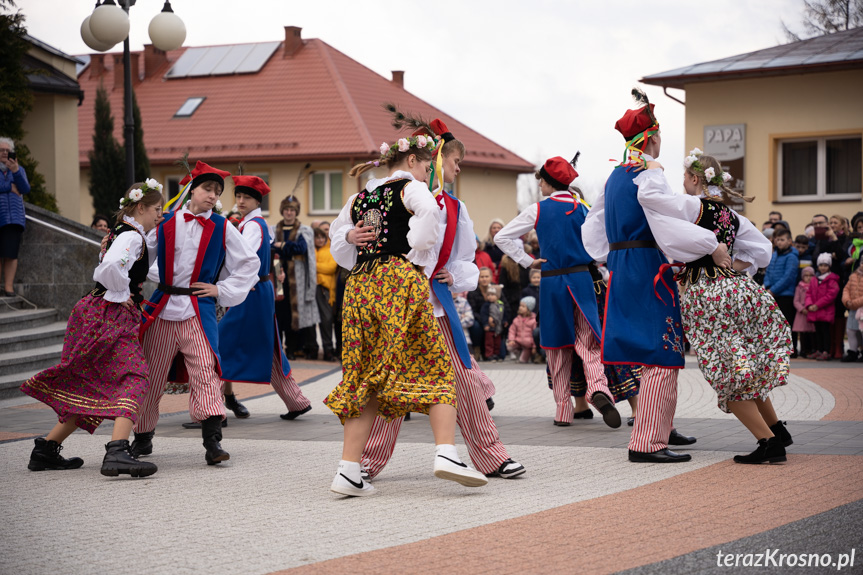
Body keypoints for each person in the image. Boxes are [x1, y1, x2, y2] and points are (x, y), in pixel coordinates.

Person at [359, 118, 523, 482]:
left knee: (462, 381)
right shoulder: (389, 197)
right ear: (435, 161)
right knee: (391, 382)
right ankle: (367, 461)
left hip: (434, 309)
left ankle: (492, 456)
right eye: (455, 162)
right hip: (395, 308)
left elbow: (464, 260)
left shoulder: (455, 207)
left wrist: (454, 276)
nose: (458, 168)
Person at [324, 130, 487, 496]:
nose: (431, 171)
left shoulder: (359, 196)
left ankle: (348, 471)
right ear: (411, 161)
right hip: (397, 280)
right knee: (436, 364)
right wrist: (415, 247)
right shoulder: (410, 188)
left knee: (364, 375)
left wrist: (352, 241)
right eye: (428, 164)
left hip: (360, 286)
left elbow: (340, 238)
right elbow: (429, 213)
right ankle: (446, 452)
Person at [582, 91, 724, 463]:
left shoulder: (614, 177)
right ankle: (647, 442)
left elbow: (592, 227)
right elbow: (666, 216)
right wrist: (707, 242)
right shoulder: (650, 174)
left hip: (621, 266)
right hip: (647, 266)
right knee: (662, 353)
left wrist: (609, 257)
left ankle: (656, 429)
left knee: (647, 353)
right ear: (652, 139)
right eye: (660, 138)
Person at [21, 181, 164, 477]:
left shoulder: (122, 233)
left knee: (91, 380)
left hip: (95, 309)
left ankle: (46, 450)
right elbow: (111, 267)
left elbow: (120, 265)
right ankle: (118, 452)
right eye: (157, 209)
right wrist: (123, 294)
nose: (160, 215)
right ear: (140, 207)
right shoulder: (133, 237)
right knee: (135, 377)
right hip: (109, 314)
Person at [661, 149, 792, 464]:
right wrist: (733, 266)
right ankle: (776, 429)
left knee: (727, 373)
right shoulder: (732, 215)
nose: (682, 184)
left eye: (684, 178)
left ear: (695, 179)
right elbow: (763, 249)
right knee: (742, 367)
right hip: (738, 290)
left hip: (709, 298)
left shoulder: (691, 206)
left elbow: (659, 221)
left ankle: (768, 441)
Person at [130, 161, 259, 466]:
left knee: (206, 370)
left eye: (217, 191)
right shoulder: (165, 222)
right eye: (207, 189)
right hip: (162, 309)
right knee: (151, 374)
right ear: (191, 189)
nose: (213, 196)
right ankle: (142, 438)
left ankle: (212, 442)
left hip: (197, 311)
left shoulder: (223, 226)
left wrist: (221, 290)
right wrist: (154, 276)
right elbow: (140, 253)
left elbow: (249, 262)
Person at [497, 155, 621, 429]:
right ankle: (599, 389)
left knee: (556, 347)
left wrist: (528, 261)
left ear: (550, 182)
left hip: (552, 283)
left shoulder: (537, 210)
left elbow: (501, 237)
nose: (539, 185)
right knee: (588, 343)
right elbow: (601, 243)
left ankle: (563, 409)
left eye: (540, 180)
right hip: (581, 281)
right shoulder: (582, 208)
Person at [215, 175, 313, 420]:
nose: (240, 201)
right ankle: (296, 401)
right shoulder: (260, 224)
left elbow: (242, 259)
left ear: (256, 200)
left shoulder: (252, 226)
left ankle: (212, 411)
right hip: (259, 290)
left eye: (246, 197)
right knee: (270, 347)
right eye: (238, 196)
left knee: (220, 344)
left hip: (250, 291)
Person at [273, 196, 320, 359]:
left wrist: (284, 245)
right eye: (286, 209)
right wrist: (284, 247)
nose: (289, 213)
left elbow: (301, 248)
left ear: (296, 212)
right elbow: (271, 247)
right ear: (282, 211)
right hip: (278, 273)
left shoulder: (304, 230)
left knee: (293, 314)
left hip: (297, 278)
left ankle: (291, 350)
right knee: (278, 311)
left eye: (292, 210)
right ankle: (278, 349)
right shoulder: (274, 229)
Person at [0, 137, 30, 297]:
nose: (5, 153)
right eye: (1, 150)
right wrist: (9, 187)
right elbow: (10, 187)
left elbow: (25, 188)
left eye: (7, 150)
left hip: (14, 218)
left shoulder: (19, 170)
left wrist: (16, 171)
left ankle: (8, 288)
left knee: (11, 254)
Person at [805, 253, 840, 361]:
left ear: (829, 266)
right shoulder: (815, 279)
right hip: (815, 311)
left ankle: (826, 351)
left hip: (825, 311)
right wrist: (810, 304)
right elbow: (809, 293)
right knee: (817, 332)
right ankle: (819, 350)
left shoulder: (832, 280)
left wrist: (817, 305)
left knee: (825, 332)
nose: (823, 267)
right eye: (821, 265)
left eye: (825, 265)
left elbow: (831, 295)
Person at [764, 228, 799, 332]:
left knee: (786, 325)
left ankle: (791, 348)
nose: (779, 242)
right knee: (774, 324)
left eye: (782, 239)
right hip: (772, 294)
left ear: (789, 241)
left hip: (786, 295)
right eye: (777, 239)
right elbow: (768, 272)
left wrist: (773, 290)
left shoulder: (791, 256)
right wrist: (768, 286)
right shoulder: (774, 255)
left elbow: (788, 277)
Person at [313, 226, 338, 361]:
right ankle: (312, 350)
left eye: (322, 237)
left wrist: (313, 265)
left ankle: (328, 350)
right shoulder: (311, 250)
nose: (320, 240)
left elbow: (331, 268)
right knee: (311, 321)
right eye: (317, 237)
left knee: (327, 320)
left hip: (325, 289)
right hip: (311, 288)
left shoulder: (330, 250)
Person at [841, 259, 863, 362]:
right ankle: (853, 351)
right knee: (851, 330)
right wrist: (847, 301)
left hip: (861, 307)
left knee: (861, 331)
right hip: (853, 308)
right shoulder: (854, 275)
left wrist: (855, 303)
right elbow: (846, 289)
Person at [792, 266, 816, 359]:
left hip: (812, 312)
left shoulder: (815, 286)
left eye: (810, 275)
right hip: (802, 313)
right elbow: (796, 301)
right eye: (806, 275)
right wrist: (802, 309)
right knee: (802, 333)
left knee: (812, 332)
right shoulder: (799, 287)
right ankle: (803, 350)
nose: (808, 277)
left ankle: (811, 349)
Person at [480, 285, 507, 362]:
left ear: (498, 296)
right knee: (489, 343)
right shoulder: (486, 305)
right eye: (488, 295)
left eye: (492, 295)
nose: (490, 297)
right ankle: (489, 355)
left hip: (498, 328)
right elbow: (483, 315)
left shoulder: (500, 305)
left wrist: (505, 321)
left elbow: (503, 314)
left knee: (497, 342)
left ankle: (496, 354)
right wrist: (485, 324)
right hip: (490, 328)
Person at [507, 296, 537, 363]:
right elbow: (512, 330)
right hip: (518, 342)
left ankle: (529, 355)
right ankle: (518, 353)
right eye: (520, 306)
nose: (520, 307)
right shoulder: (517, 319)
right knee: (510, 346)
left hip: (528, 345)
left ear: (529, 309)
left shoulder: (533, 320)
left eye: (523, 306)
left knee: (522, 361)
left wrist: (534, 347)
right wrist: (511, 340)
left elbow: (535, 334)